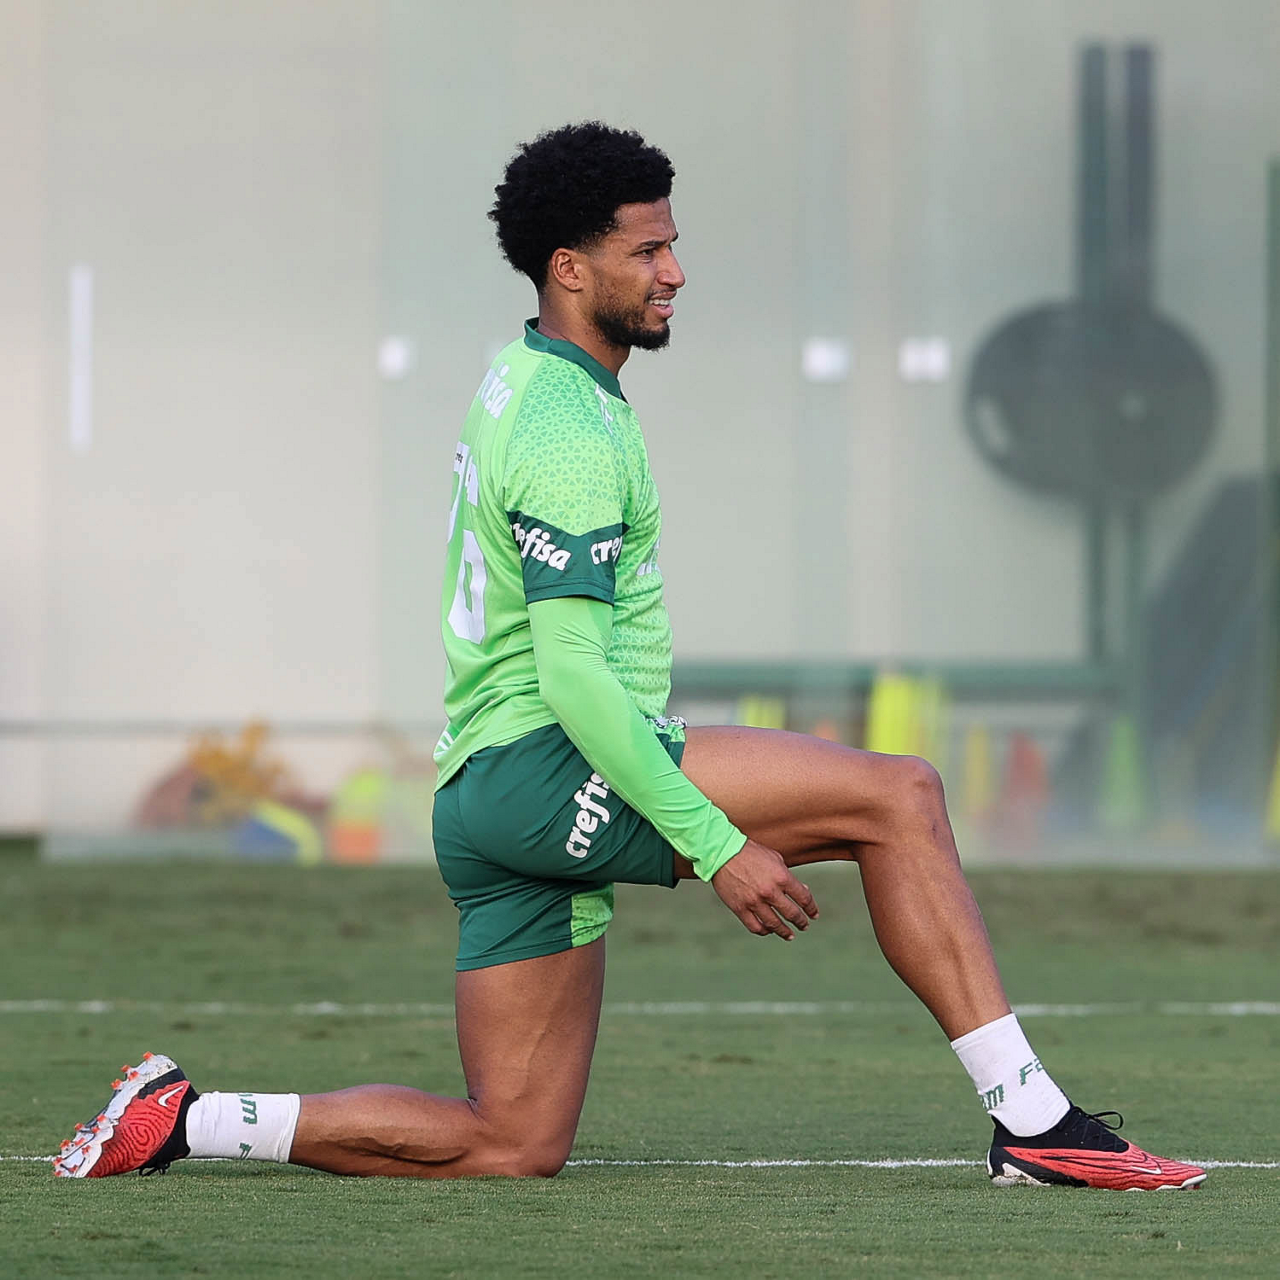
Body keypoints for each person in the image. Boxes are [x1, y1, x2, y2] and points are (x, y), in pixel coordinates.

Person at [54, 122, 1204, 1192]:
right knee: (897, 796)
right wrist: (717, 846)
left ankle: (187, 1117)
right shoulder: (564, 426)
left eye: (671, 243)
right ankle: (1034, 1121)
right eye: (646, 250)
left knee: (512, 1141)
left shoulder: (526, 378)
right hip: (544, 762)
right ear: (569, 267)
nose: (674, 271)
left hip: (485, 792)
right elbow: (570, 676)